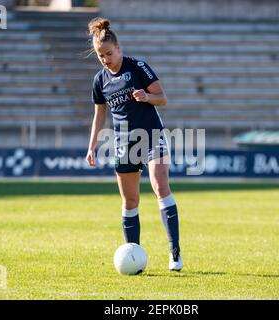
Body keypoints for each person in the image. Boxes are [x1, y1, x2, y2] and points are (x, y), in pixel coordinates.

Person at [85, 17, 183, 271]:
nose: (105, 59)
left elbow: (163, 99)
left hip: (151, 136)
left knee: (160, 187)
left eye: (109, 53)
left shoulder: (138, 67)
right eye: (100, 55)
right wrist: (92, 145)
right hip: (124, 143)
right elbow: (99, 115)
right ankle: (133, 258)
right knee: (130, 202)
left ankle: (175, 253)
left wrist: (147, 96)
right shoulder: (100, 81)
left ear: (118, 48)